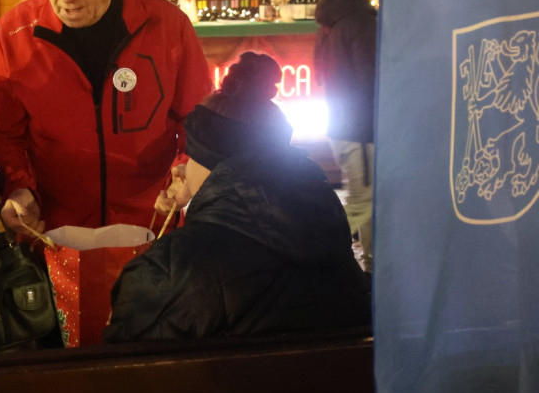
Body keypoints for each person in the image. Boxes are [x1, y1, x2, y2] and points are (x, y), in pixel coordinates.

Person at [0, 0, 213, 345]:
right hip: (55, 238)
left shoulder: (167, 27)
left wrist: (184, 175)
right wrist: (17, 187)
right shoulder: (14, 33)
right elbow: (2, 134)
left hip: (151, 231)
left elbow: (198, 123)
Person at [105, 52, 371, 343]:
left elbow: (123, 372)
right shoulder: (326, 231)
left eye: (190, 154)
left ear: (205, 160)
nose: (183, 166)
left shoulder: (167, 273)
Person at [314, 0, 378, 273]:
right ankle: (318, 261)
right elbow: (372, 78)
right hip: (361, 124)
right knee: (363, 202)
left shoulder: (332, 17)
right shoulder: (362, 20)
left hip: (339, 123)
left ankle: (366, 268)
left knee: (362, 198)